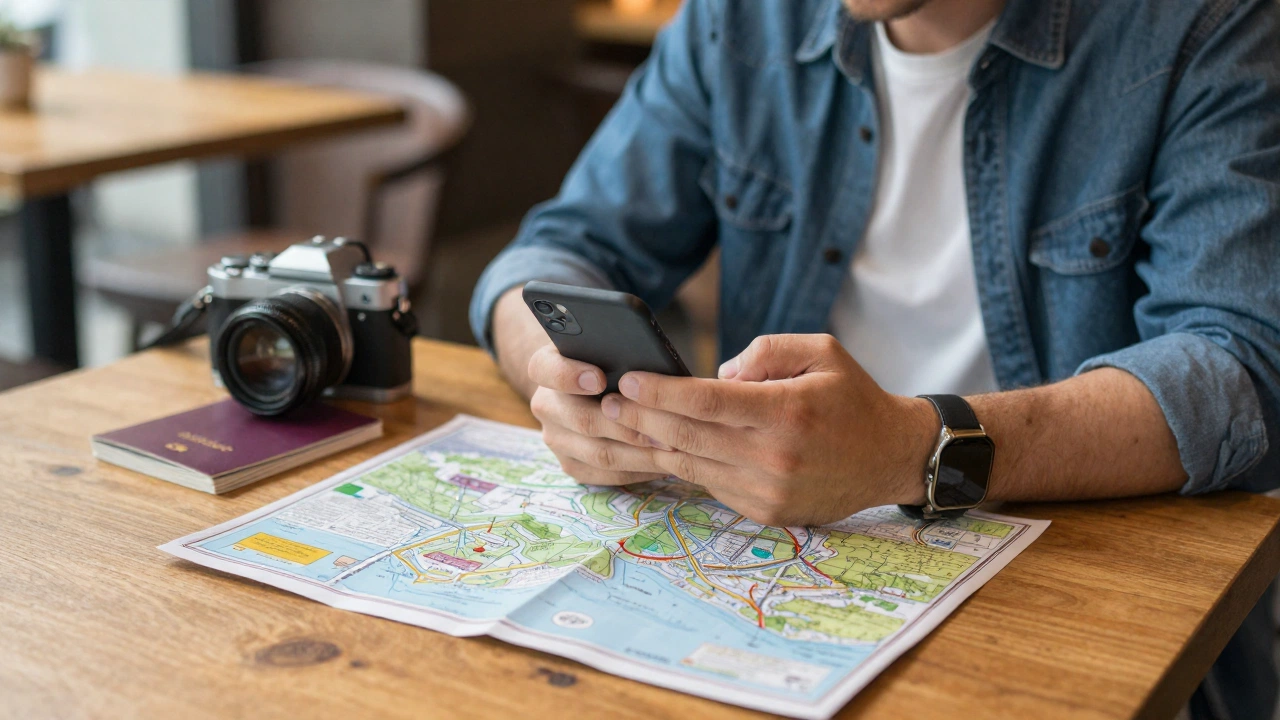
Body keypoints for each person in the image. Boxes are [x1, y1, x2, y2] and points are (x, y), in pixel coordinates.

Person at [470, 0, 1280, 716]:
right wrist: (553, 368)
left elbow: (1243, 370)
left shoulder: (1206, 24)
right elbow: (556, 253)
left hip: (1079, 597)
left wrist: (913, 448)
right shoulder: (738, 21)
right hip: (775, 590)